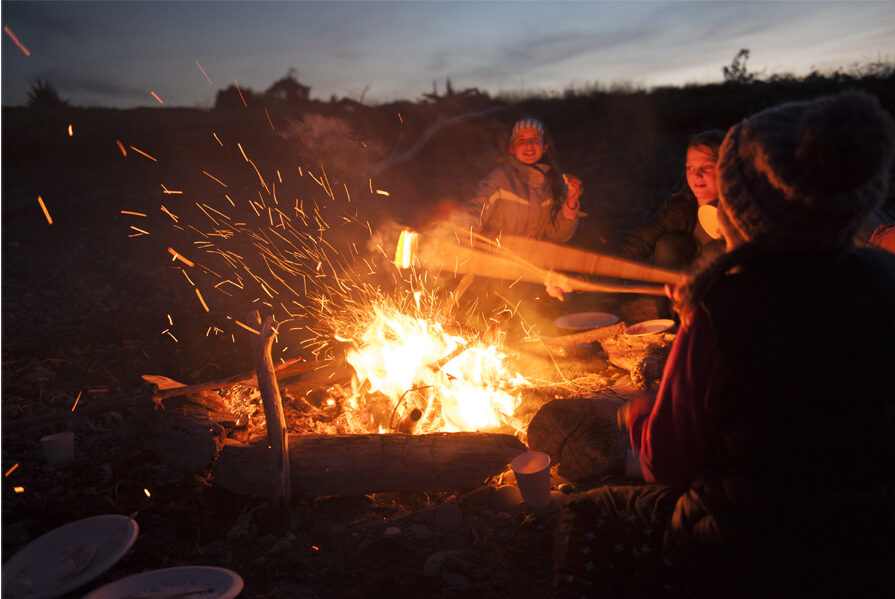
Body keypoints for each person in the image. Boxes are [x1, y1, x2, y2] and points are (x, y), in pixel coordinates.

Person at [553, 90, 895, 598]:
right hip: (872, 535)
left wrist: (641, 412)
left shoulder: (722, 307)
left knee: (586, 513)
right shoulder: (883, 280)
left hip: (753, 543)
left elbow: (663, 465)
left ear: (743, 207)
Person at [619, 130, 727, 270]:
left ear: (727, 168)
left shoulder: (745, 213)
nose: (696, 175)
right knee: (668, 246)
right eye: (690, 168)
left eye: (707, 167)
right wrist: (598, 265)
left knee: (716, 251)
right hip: (679, 287)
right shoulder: (680, 208)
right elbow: (641, 241)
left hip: (729, 288)